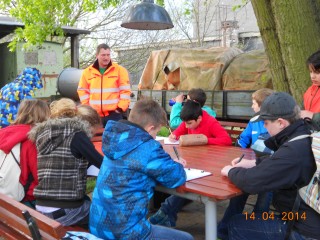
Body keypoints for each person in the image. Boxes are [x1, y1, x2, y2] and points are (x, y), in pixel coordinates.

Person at [89, 98, 194, 240]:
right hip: (126, 233)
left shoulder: (114, 140)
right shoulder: (147, 147)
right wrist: (177, 164)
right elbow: (176, 177)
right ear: (150, 128)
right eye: (156, 133)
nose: (155, 137)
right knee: (186, 238)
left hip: (98, 226)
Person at [221, 92, 320, 239]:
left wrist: (230, 171)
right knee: (251, 218)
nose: (265, 127)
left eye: (266, 123)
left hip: (304, 228)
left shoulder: (294, 150)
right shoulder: (304, 134)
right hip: (304, 216)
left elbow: (252, 182)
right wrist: (253, 162)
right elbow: (277, 162)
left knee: (237, 223)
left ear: (281, 122)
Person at [149, 100, 231, 228]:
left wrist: (205, 140)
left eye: (189, 123)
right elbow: (179, 131)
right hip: (195, 159)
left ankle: (165, 212)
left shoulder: (210, 122)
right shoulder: (188, 120)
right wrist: (174, 136)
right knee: (184, 182)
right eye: (185, 123)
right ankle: (166, 213)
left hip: (210, 162)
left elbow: (226, 140)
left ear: (199, 118)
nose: (186, 126)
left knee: (187, 182)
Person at [28, 98, 103, 227]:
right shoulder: (77, 134)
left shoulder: (42, 135)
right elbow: (101, 163)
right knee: (105, 215)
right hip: (66, 210)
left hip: (41, 207)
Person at [218, 88, 274, 239]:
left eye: (254, 103)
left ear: (263, 106)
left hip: (269, 168)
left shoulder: (276, 124)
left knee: (265, 197)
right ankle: (224, 230)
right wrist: (238, 153)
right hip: (251, 163)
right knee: (238, 193)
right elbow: (243, 140)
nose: (251, 106)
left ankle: (256, 228)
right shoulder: (254, 121)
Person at [0, 99, 50, 208]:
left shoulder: (3, 133)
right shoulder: (32, 139)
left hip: (4, 195)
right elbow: (40, 177)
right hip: (26, 200)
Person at [77, 43, 131, 127]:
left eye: (108, 55)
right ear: (97, 55)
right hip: (94, 116)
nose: (106, 58)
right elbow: (82, 91)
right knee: (95, 139)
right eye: (103, 55)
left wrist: (120, 108)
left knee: (114, 139)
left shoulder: (120, 70)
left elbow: (125, 91)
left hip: (114, 114)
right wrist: (88, 108)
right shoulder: (87, 72)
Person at [301, 49, 320, 127]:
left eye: (317, 72)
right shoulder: (310, 90)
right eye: (311, 72)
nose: (312, 76)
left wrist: (313, 116)